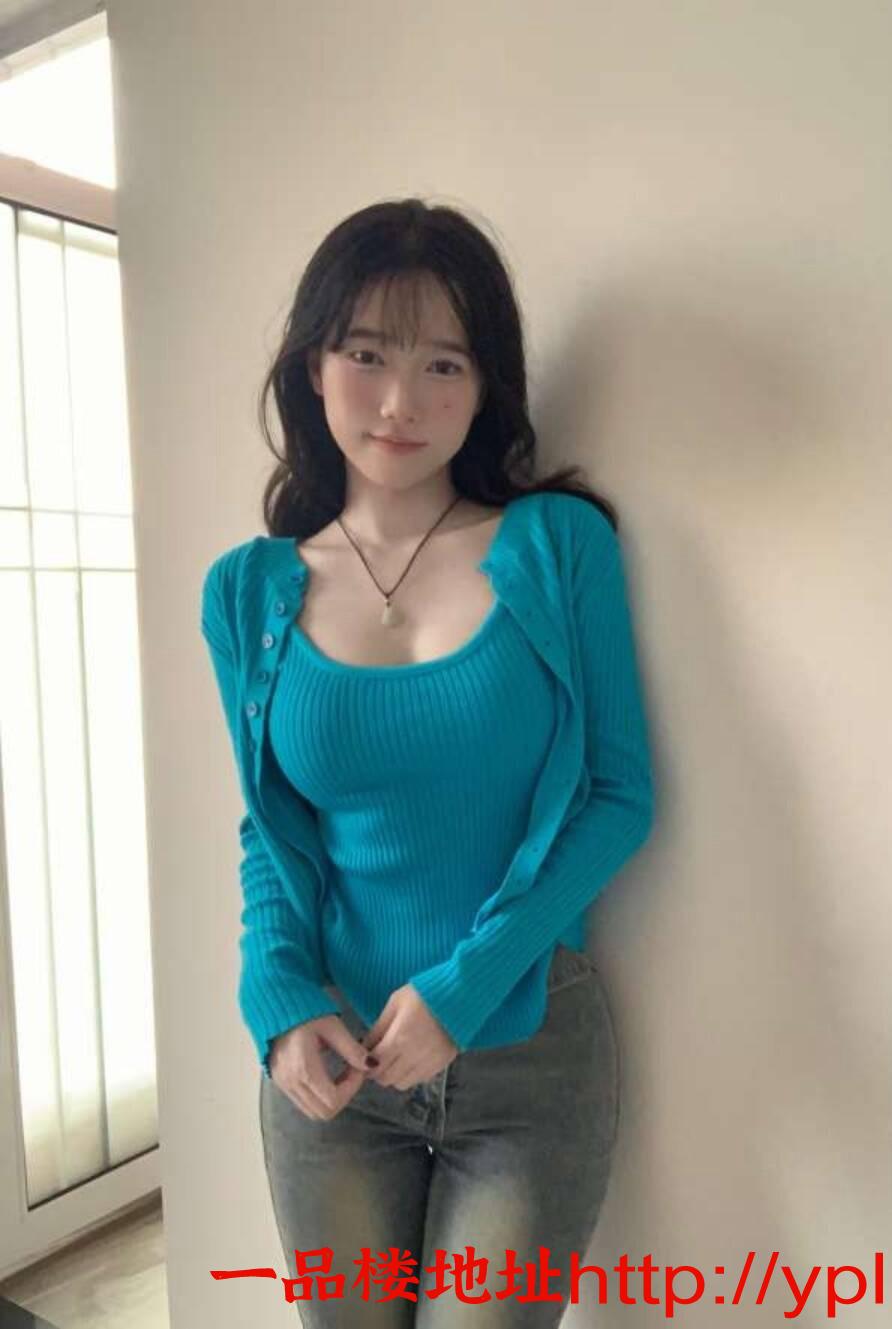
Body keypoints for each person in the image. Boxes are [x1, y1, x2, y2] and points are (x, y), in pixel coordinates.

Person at [200, 197, 656, 1327]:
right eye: (368, 355)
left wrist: (463, 988)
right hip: (332, 1069)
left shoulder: (559, 548)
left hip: (529, 1055)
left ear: (487, 384)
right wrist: (277, 993)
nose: (402, 401)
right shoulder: (248, 591)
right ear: (314, 367)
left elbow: (617, 795)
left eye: (443, 364)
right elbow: (271, 828)